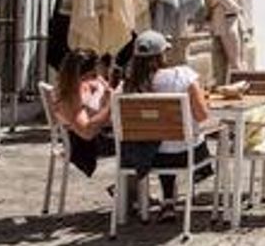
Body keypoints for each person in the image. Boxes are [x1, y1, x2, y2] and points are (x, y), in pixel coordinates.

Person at [119, 30, 212, 208]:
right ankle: (202, 177)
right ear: (163, 54)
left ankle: (168, 199)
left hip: (146, 159)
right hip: (186, 157)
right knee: (204, 135)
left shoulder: (126, 86)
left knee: (159, 141)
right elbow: (202, 115)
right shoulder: (183, 76)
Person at [51, 48, 116, 178]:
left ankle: (128, 191)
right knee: (136, 144)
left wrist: (101, 89)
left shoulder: (71, 87)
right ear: (84, 75)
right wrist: (111, 104)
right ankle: (129, 191)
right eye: (93, 75)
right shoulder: (71, 96)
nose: (97, 78)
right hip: (84, 148)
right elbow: (87, 132)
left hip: (87, 140)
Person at [205, 0, 249, 84]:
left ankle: (239, 84)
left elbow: (241, 6)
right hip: (227, 26)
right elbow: (233, 7)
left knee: (240, 59)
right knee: (235, 61)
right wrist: (239, 8)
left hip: (235, 24)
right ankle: (241, 84)